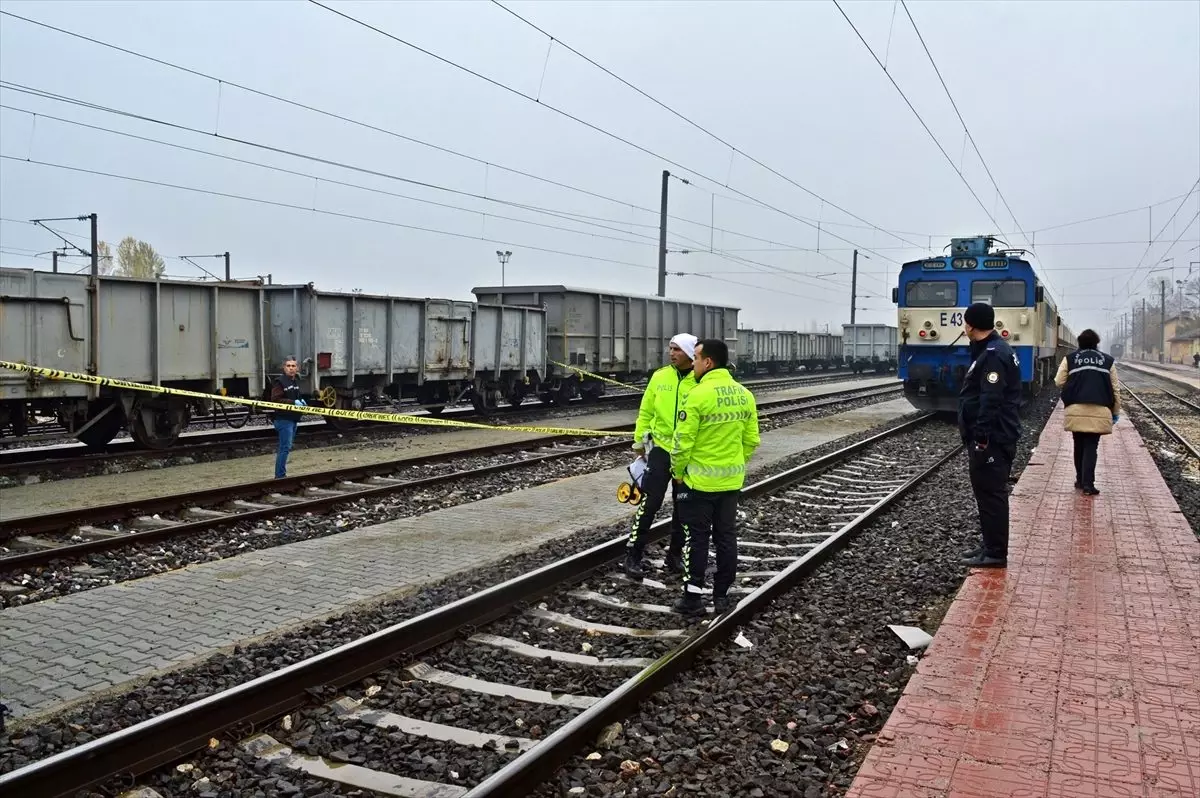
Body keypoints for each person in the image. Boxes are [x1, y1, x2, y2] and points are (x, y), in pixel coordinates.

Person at [669, 338, 760, 616]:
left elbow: (682, 443)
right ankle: (721, 596)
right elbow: (752, 440)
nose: (693, 362)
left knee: (696, 539)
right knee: (726, 538)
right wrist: (735, 464)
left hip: (698, 483)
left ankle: (692, 598)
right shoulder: (744, 394)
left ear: (708, 362)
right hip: (730, 482)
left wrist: (678, 473)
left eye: (696, 358)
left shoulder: (696, 395)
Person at [623, 333, 699, 579]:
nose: (671, 353)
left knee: (683, 506)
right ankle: (633, 554)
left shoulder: (700, 380)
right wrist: (638, 441)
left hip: (687, 455)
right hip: (661, 450)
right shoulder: (660, 376)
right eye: (670, 348)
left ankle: (674, 556)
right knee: (650, 503)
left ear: (689, 353)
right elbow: (645, 411)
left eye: (677, 349)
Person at [957, 303, 1022, 568]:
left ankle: (996, 553)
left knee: (992, 494)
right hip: (993, 437)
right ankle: (990, 545)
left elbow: (990, 400)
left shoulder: (994, 355)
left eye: (965, 323)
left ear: (971, 325)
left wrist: (981, 438)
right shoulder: (990, 350)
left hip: (993, 438)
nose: (964, 327)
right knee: (986, 493)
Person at [1054, 329, 1120, 495]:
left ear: (1079, 343)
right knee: (1092, 446)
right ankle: (1089, 485)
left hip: (1075, 408)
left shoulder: (1070, 359)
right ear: (1096, 343)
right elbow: (1116, 389)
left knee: (1078, 444)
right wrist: (1115, 412)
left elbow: (1058, 381)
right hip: (1100, 409)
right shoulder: (1108, 360)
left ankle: (1079, 480)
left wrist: (1073, 385)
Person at [270, 357, 305, 478]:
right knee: (284, 448)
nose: (291, 368)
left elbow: (295, 396)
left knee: (287, 447)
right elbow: (275, 400)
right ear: (284, 368)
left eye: (293, 366)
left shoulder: (294, 381)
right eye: (288, 366)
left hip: (292, 419)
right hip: (283, 419)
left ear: (297, 368)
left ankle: (281, 474)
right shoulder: (280, 382)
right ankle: (280, 476)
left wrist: (300, 401)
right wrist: (293, 403)